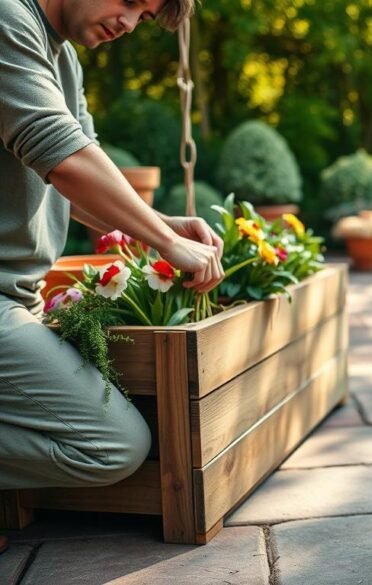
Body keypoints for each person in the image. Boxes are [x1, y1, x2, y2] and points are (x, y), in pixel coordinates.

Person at [0, 0, 219, 553]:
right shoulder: (6, 20)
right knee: (113, 445)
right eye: (128, 1)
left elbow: (70, 180)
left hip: (15, 300)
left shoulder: (63, 57)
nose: (127, 23)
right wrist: (164, 242)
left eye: (142, 17)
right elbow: (63, 156)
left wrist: (163, 224)